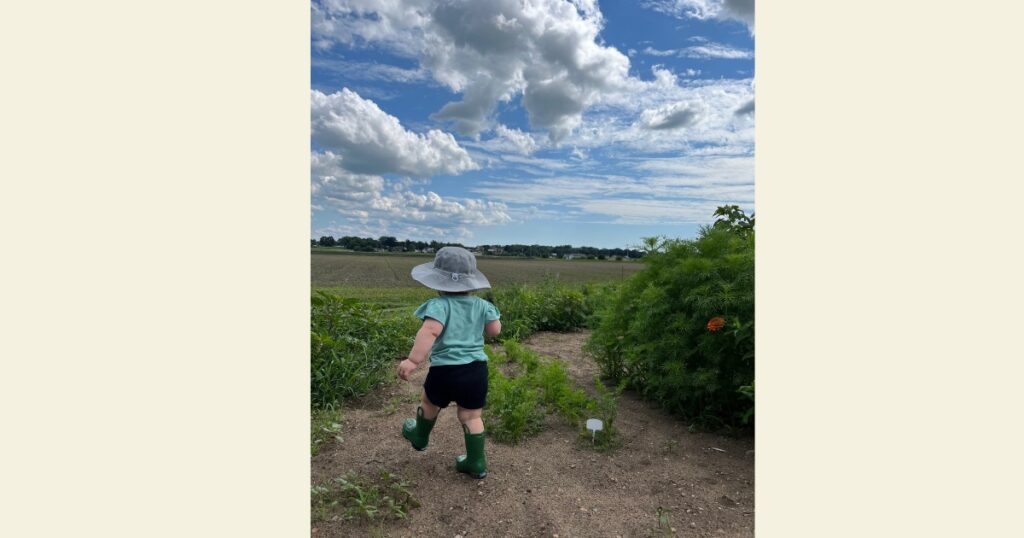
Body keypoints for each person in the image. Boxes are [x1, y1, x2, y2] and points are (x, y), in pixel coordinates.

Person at [397, 246, 501, 479]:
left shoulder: (439, 306)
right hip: (476, 370)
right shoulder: (483, 306)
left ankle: (420, 437)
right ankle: (476, 461)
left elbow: (430, 331)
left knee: (430, 403)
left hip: (445, 370)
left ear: (437, 282)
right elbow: (494, 330)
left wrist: (413, 360)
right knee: (472, 416)